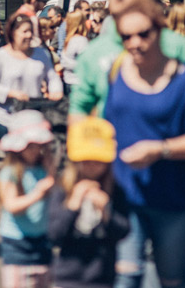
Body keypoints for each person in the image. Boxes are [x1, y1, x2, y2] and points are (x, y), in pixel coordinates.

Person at [102, 0, 185, 288]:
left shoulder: (183, 80)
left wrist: (161, 150)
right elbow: (108, 129)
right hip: (126, 196)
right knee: (126, 277)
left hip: (173, 198)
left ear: (160, 29)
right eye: (126, 36)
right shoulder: (117, 71)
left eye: (143, 34)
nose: (134, 42)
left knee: (170, 280)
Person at [69, 0, 185, 123]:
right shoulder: (95, 52)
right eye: (118, 15)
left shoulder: (175, 43)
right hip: (111, 139)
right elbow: (79, 108)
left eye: (132, 10)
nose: (135, 43)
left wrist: (165, 145)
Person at [48, 117, 129, 288]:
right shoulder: (63, 188)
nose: (93, 165)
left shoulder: (115, 190)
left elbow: (122, 232)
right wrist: (73, 204)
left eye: (98, 161)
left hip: (102, 277)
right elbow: (54, 234)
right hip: (67, 277)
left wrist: (106, 210)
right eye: (86, 160)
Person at [0, 110, 55, 288]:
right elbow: (11, 206)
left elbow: (58, 191)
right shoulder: (10, 172)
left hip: (43, 240)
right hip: (16, 243)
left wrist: (51, 167)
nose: (35, 150)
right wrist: (38, 193)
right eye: (30, 146)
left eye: (39, 145)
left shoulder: (43, 170)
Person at [0, 14, 63, 139]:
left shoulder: (41, 54)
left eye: (31, 31)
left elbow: (52, 77)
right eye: (25, 31)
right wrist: (11, 93)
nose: (29, 35)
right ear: (12, 33)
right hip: (6, 118)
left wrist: (56, 90)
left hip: (33, 116)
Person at [61, 10, 88, 94]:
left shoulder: (75, 40)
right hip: (72, 82)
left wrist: (64, 65)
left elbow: (84, 64)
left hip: (72, 82)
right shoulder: (76, 40)